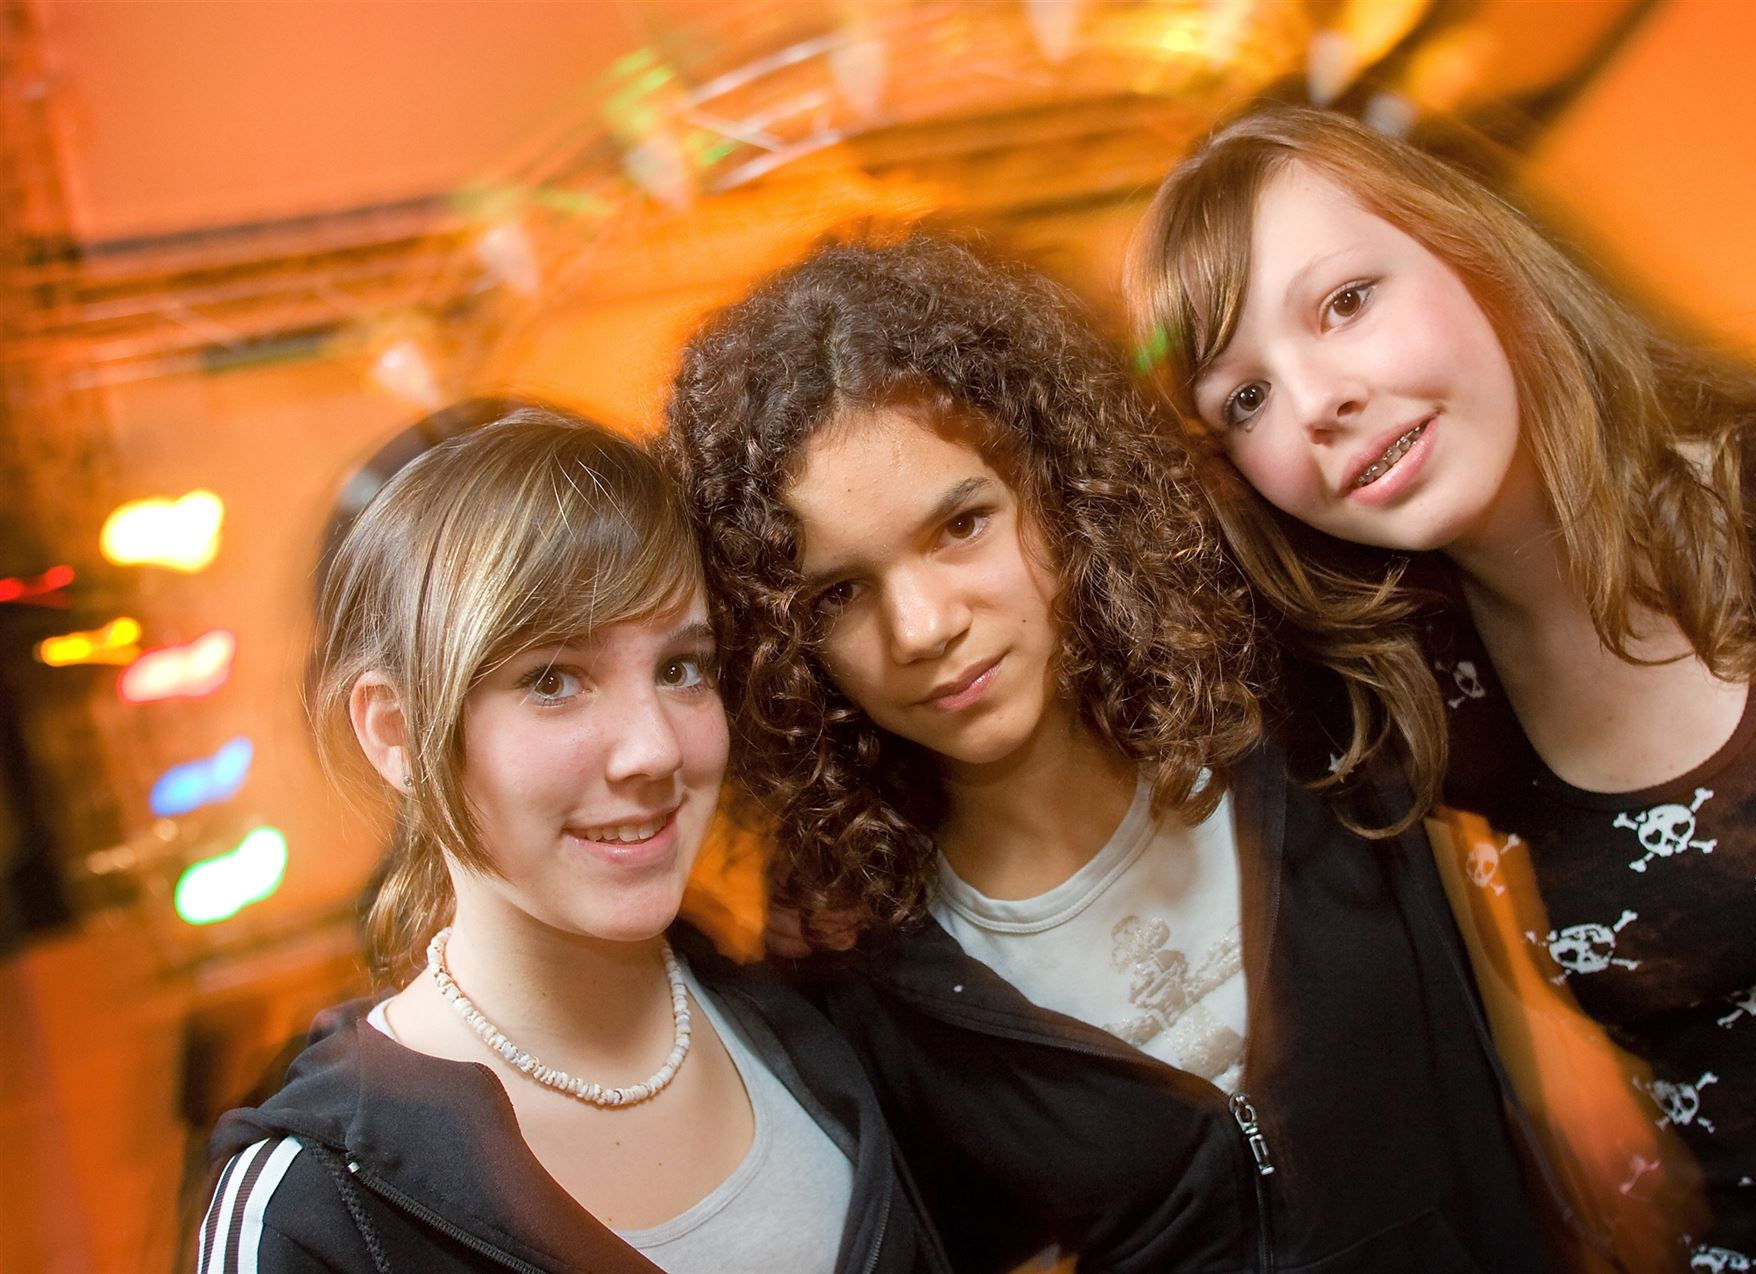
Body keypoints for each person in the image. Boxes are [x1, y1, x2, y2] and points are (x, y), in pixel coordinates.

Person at [664, 235, 1553, 1273]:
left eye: (961, 525)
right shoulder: (861, 969)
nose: (921, 627)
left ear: (1063, 489)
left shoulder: (1299, 690)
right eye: (838, 594)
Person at [1131, 103, 1756, 1270]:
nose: (1314, 401)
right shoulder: (1434, 691)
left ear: (1475, 253)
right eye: (1244, 398)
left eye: (1345, 301)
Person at [196, 408, 944, 1274]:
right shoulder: (314, 1211)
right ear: (396, 731)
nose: (654, 749)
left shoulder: (811, 1029)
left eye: (681, 668)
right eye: (553, 680)